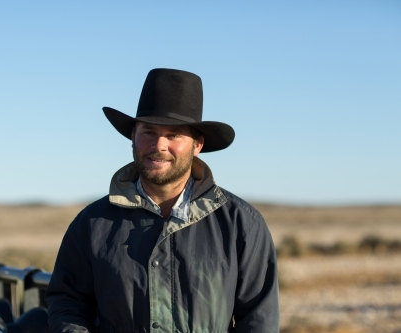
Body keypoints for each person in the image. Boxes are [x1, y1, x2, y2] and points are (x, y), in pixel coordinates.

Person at [45, 68, 280, 333]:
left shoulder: (241, 223)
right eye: (149, 132)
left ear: (197, 144)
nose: (159, 145)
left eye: (174, 135)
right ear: (133, 136)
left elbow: (259, 319)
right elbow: (68, 302)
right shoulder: (92, 223)